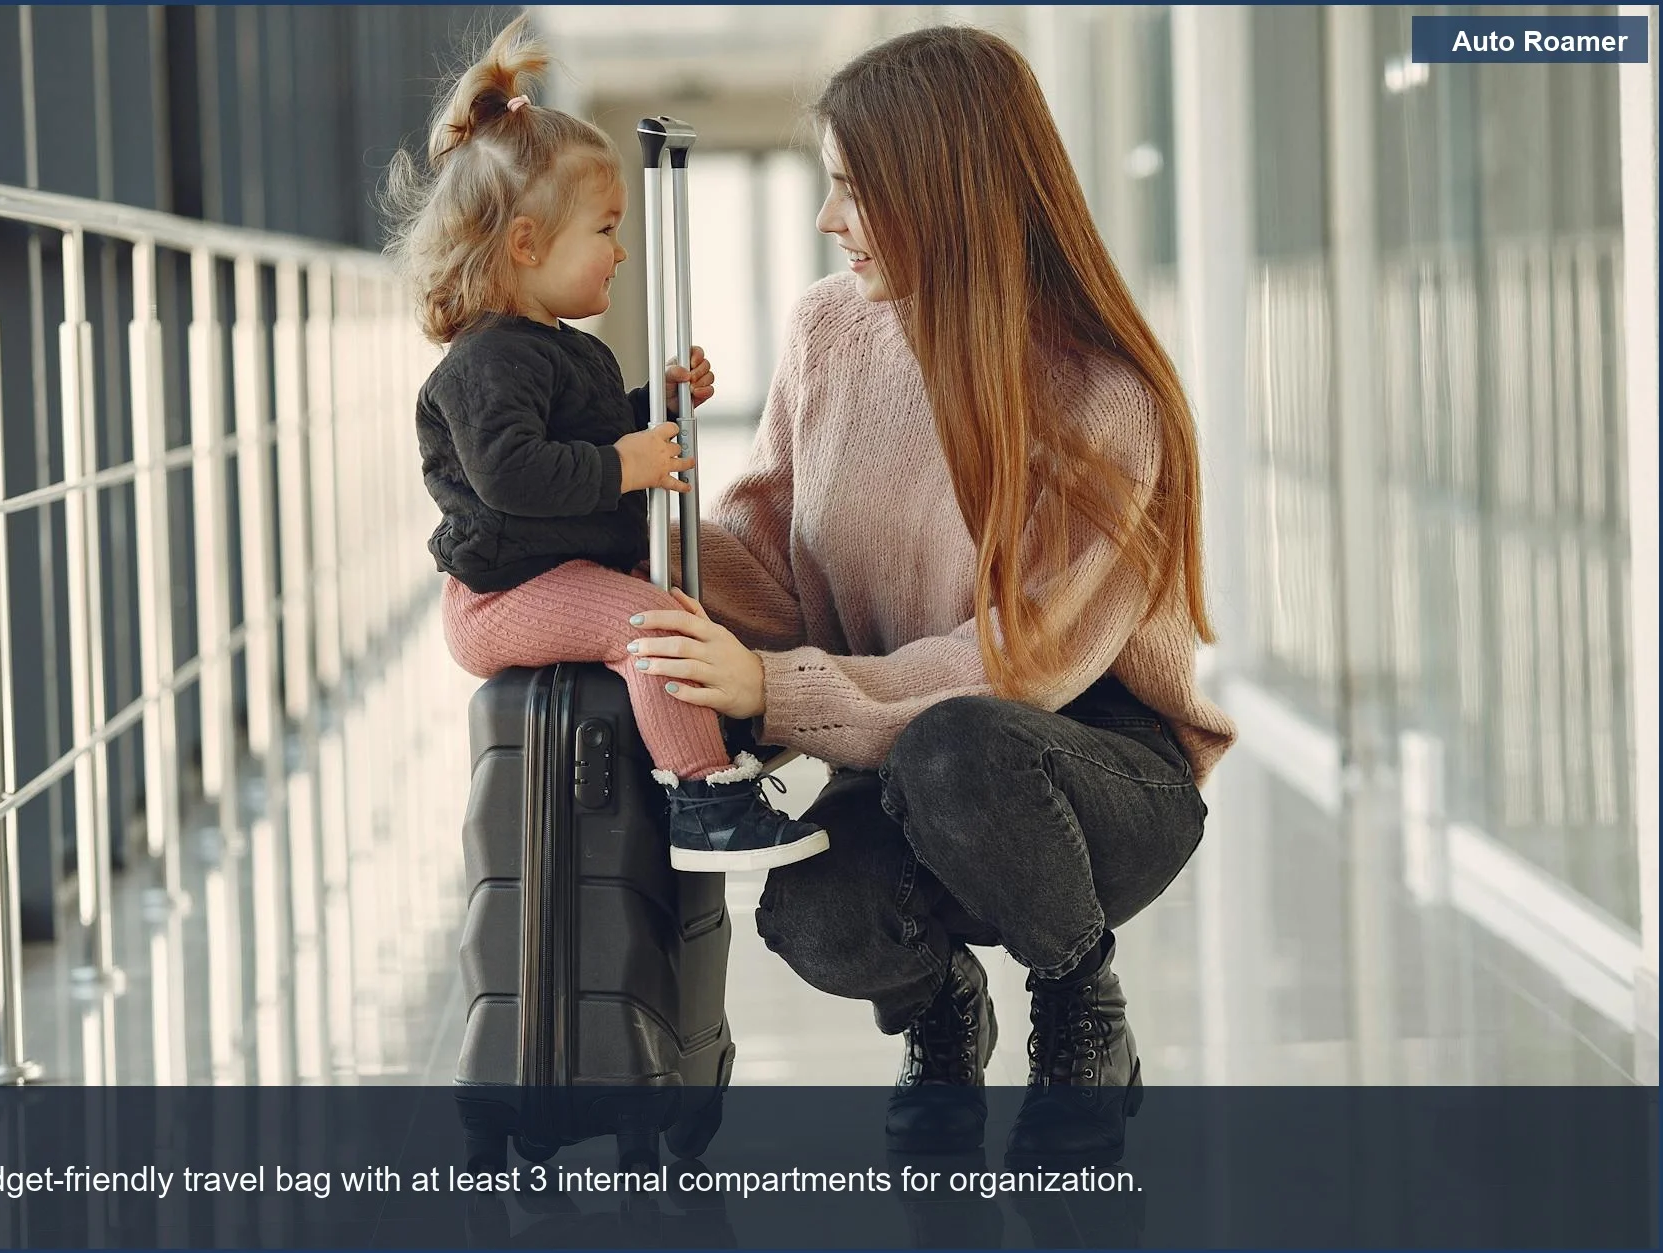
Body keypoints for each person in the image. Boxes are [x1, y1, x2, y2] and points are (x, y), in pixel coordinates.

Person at [625, 25, 1237, 1160]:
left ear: (942, 189)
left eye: (853, 191)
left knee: (959, 746)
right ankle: (941, 1012)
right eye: (825, 188)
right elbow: (770, 556)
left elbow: (1017, 665)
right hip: (900, 748)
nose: (827, 221)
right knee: (809, 907)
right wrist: (644, 514)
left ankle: (1076, 1006)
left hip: (1088, 770)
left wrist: (773, 688)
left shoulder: (1102, 396)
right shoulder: (827, 330)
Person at [383, 17, 829, 873]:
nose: (622, 252)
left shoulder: (561, 346)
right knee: (648, 623)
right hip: (500, 596)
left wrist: (650, 407)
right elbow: (515, 473)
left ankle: (723, 726)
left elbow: (581, 436)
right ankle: (703, 797)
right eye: (605, 230)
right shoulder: (486, 360)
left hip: (557, 569)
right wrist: (629, 462)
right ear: (525, 245)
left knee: (682, 603)